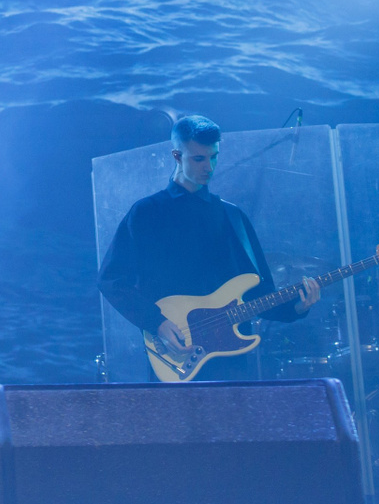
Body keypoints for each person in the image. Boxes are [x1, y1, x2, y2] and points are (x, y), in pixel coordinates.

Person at [98, 114, 320, 381]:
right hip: (177, 355)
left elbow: (260, 295)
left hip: (231, 364)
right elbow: (111, 279)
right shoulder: (147, 212)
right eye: (199, 159)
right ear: (177, 156)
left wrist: (296, 308)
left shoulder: (233, 217)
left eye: (214, 157)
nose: (209, 167)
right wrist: (156, 322)